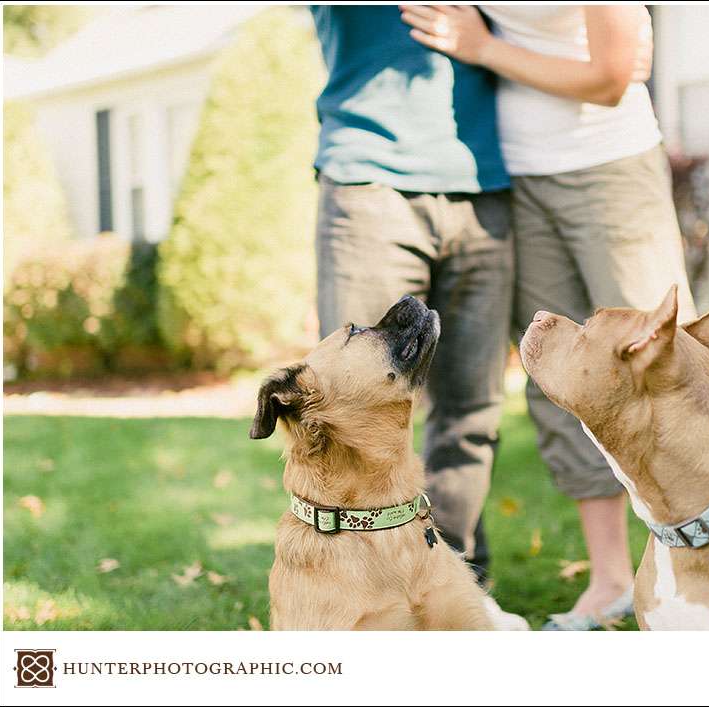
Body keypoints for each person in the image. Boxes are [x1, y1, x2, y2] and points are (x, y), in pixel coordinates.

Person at [402, 4, 697, 630]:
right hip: (521, 177)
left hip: (609, 164)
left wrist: (481, 47)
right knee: (562, 381)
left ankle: (705, 565)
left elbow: (611, 76)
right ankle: (613, 577)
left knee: (663, 364)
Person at [310, 5, 527, 629]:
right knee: (354, 411)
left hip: (481, 184)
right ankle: (356, 597)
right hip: (369, 182)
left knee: (471, 411)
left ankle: (455, 589)